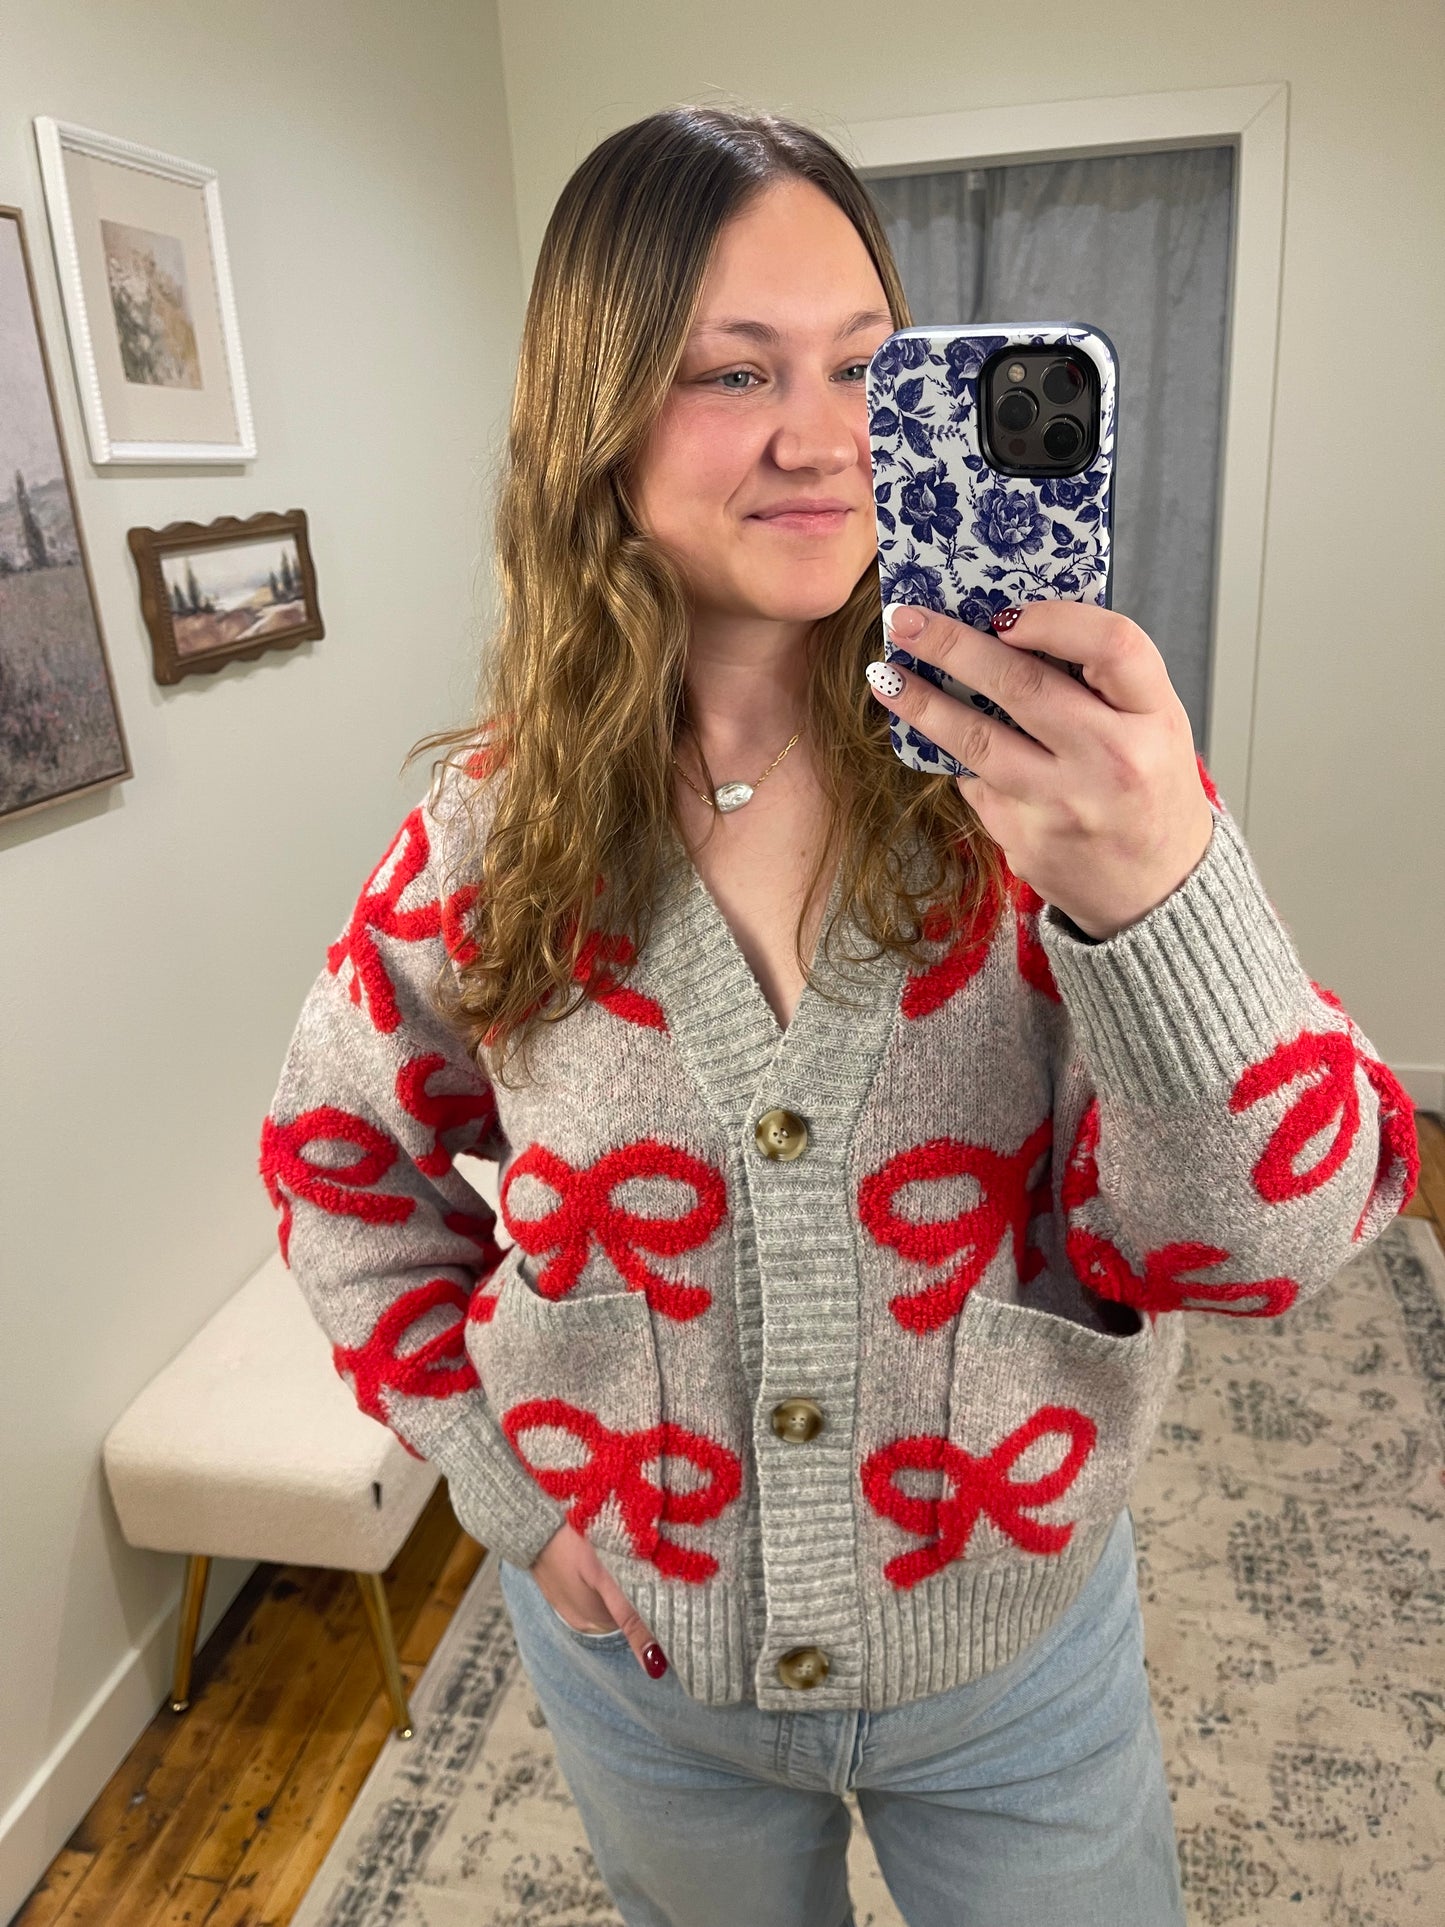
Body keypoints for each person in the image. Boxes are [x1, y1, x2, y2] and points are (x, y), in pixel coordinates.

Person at [260, 105, 1418, 1927]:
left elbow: (1266, 1246)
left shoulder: (1057, 794)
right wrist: (519, 1498)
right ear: (600, 418)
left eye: (864, 369)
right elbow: (340, 1173)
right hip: (645, 1681)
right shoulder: (488, 840)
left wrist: (1158, 891)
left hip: (1012, 1669)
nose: (819, 439)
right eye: (731, 370)